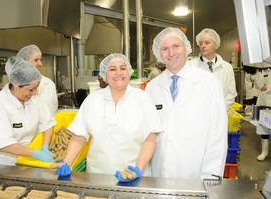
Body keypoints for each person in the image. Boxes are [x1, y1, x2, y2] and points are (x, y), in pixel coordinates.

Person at [56, 53, 162, 182]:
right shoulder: (93, 99)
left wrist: (138, 169)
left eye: (123, 68)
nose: (118, 73)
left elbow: (150, 138)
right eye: (112, 69)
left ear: (129, 72)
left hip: (133, 174)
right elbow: (79, 136)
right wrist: (66, 162)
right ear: (104, 75)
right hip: (97, 176)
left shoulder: (142, 98)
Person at [145, 27, 228, 180]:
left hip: (195, 175)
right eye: (165, 48)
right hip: (159, 175)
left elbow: (217, 135)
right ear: (159, 53)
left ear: (186, 48)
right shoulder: (152, 87)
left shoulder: (209, 83)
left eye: (176, 46)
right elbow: (148, 135)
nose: (171, 53)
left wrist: (210, 179)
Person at [0, 57, 56, 166]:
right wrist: (37, 154)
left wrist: (45, 146)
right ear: (16, 84)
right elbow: (3, 144)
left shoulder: (34, 100)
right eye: (31, 89)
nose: (34, 93)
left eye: (36, 88)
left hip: (24, 159)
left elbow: (48, 123)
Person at [192, 28, 237, 110]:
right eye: (200, 43)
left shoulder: (227, 67)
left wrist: (220, 111)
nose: (203, 46)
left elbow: (231, 94)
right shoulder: (192, 66)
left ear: (216, 45)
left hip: (220, 114)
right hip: (197, 115)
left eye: (207, 43)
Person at [17, 44, 58, 116]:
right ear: (25, 62)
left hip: (47, 126)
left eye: (40, 59)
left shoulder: (48, 84)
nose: (40, 64)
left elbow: (53, 110)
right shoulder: (17, 86)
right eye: (36, 60)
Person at [254, 67, 271, 161]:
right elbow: (259, 86)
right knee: (264, 127)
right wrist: (256, 72)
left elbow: (265, 88)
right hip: (263, 102)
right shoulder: (263, 70)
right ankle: (264, 152)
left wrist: (267, 88)